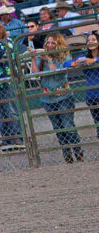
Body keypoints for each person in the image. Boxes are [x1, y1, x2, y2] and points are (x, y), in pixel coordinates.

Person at [31, 34, 83, 163]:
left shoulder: (63, 56)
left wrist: (48, 59)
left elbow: (58, 71)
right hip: (47, 98)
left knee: (68, 126)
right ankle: (67, 154)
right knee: (58, 128)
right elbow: (34, 74)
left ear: (58, 45)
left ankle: (78, 150)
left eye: (53, 43)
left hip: (63, 95)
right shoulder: (42, 58)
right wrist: (33, 58)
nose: (49, 45)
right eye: (48, 43)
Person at [67, 32, 99, 139]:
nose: (91, 42)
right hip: (92, 95)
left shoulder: (92, 58)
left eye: (93, 40)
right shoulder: (84, 57)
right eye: (88, 41)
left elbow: (94, 60)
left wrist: (94, 60)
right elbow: (66, 63)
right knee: (97, 122)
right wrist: (75, 63)